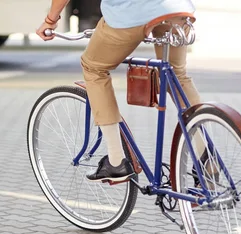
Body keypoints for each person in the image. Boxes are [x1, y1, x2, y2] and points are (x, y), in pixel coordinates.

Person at [36, 0, 201, 183]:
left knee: (93, 67)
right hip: (176, 9)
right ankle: (206, 158)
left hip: (130, 11)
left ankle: (116, 161)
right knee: (176, 75)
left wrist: (51, 20)